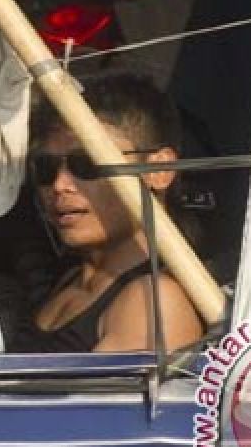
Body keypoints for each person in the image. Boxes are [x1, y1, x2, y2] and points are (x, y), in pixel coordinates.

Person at [13, 72, 205, 353]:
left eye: (87, 165)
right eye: (45, 168)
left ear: (159, 170)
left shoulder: (154, 300)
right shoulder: (70, 281)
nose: (59, 185)